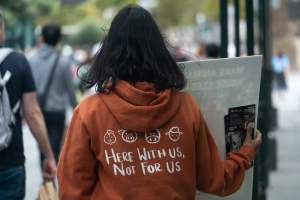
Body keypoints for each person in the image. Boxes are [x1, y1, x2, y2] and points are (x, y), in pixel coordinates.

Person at [58, 5, 262, 200]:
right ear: (158, 50)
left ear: (109, 52)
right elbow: (214, 179)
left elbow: (71, 190)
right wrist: (245, 153)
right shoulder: (186, 106)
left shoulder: (89, 112)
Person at [0, 10, 56, 200]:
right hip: (10, 162)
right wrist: (48, 155)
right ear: (1, 30)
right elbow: (32, 114)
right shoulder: (17, 62)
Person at [27, 24, 77, 167]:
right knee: (55, 147)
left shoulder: (31, 59)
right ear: (59, 39)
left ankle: (46, 181)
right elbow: (70, 90)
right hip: (57, 111)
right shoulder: (64, 61)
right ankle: (52, 182)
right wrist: (76, 109)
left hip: (37, 110)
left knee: (42, 148)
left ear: (42, 38)